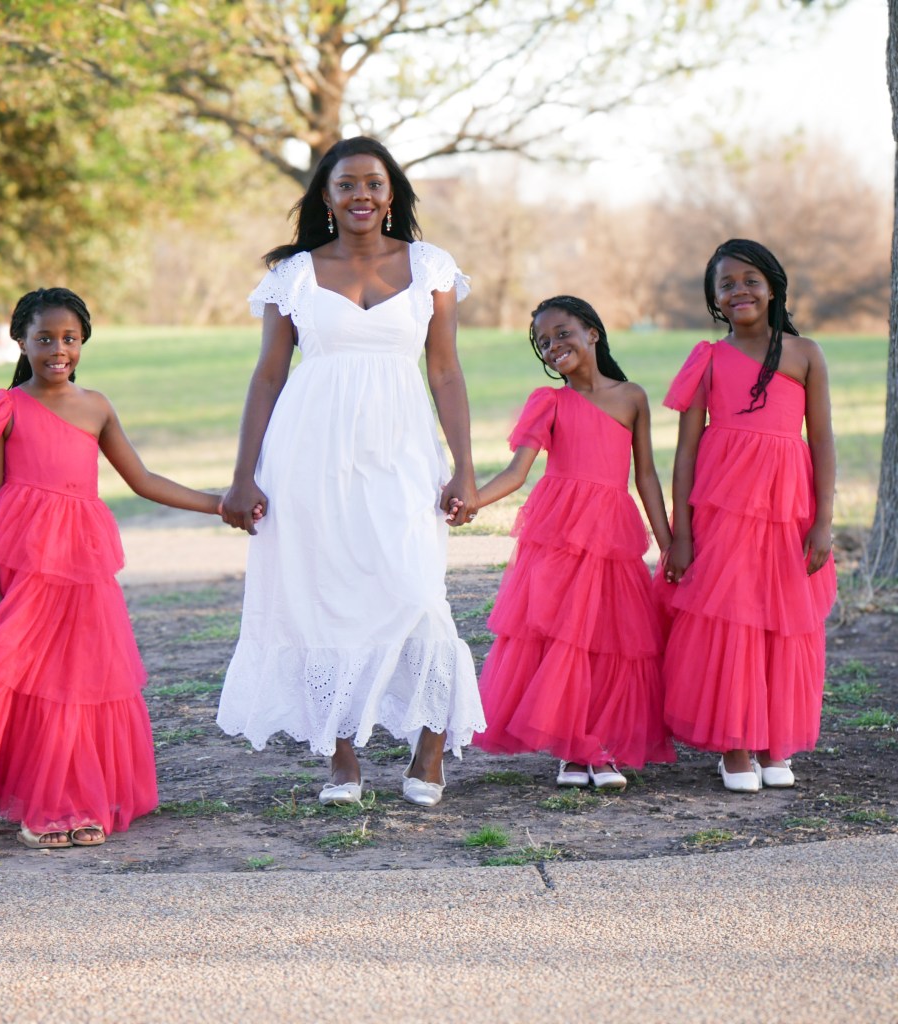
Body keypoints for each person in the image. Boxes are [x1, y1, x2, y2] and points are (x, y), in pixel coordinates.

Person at [217, 136, 485, 808]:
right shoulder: (294, 274)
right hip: (308, 453)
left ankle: (430, 743)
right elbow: (269, 374)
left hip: (400, 449)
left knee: (417, 590)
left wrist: (464, 468)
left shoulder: (429, 267)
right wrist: (243, 474)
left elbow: (445, 370)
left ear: (391, 192)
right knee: (318, 596)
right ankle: (341, 760)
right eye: (346, 185)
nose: (360, 195)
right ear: (326, 197)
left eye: (373, 183)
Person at [0, 287, 226, 848]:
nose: (59, 350)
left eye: (70, 339)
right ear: (21, 342)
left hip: (82, 568)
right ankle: (41, 806)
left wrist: (218, 502)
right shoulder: (3, 407)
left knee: (79, 683)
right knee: (28, 687)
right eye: (45, 339)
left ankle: (77, 800)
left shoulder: (97, 406)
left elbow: (143, 480)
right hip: (20, 570)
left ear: (83, 342)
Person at [472, 296, 675, 789]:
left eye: (562, 333)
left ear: (592, 333)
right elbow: (517, 472)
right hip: (559, 535)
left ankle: (601, 746)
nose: (553, 345)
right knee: (563, 639)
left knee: (611, 640)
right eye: (543, 342)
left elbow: (645, 476)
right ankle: (572, 749)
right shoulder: (550, 402)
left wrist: (670, 544)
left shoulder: (632, 398)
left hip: (611, 535)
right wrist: (473, 501)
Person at [660, 239, 836, 793]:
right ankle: (736, 745)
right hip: (723, 506)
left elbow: (823, 441)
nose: (739, 290)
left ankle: (773, 742)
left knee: (781, 620)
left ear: (773, 285)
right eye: (726, 284)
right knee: (732, 617)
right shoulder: (708, 358)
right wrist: (681, 532)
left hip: (788, 508)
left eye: (750, 280)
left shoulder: (806, 353)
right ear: (714, 299)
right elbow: (685, 453)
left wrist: (824, 520)